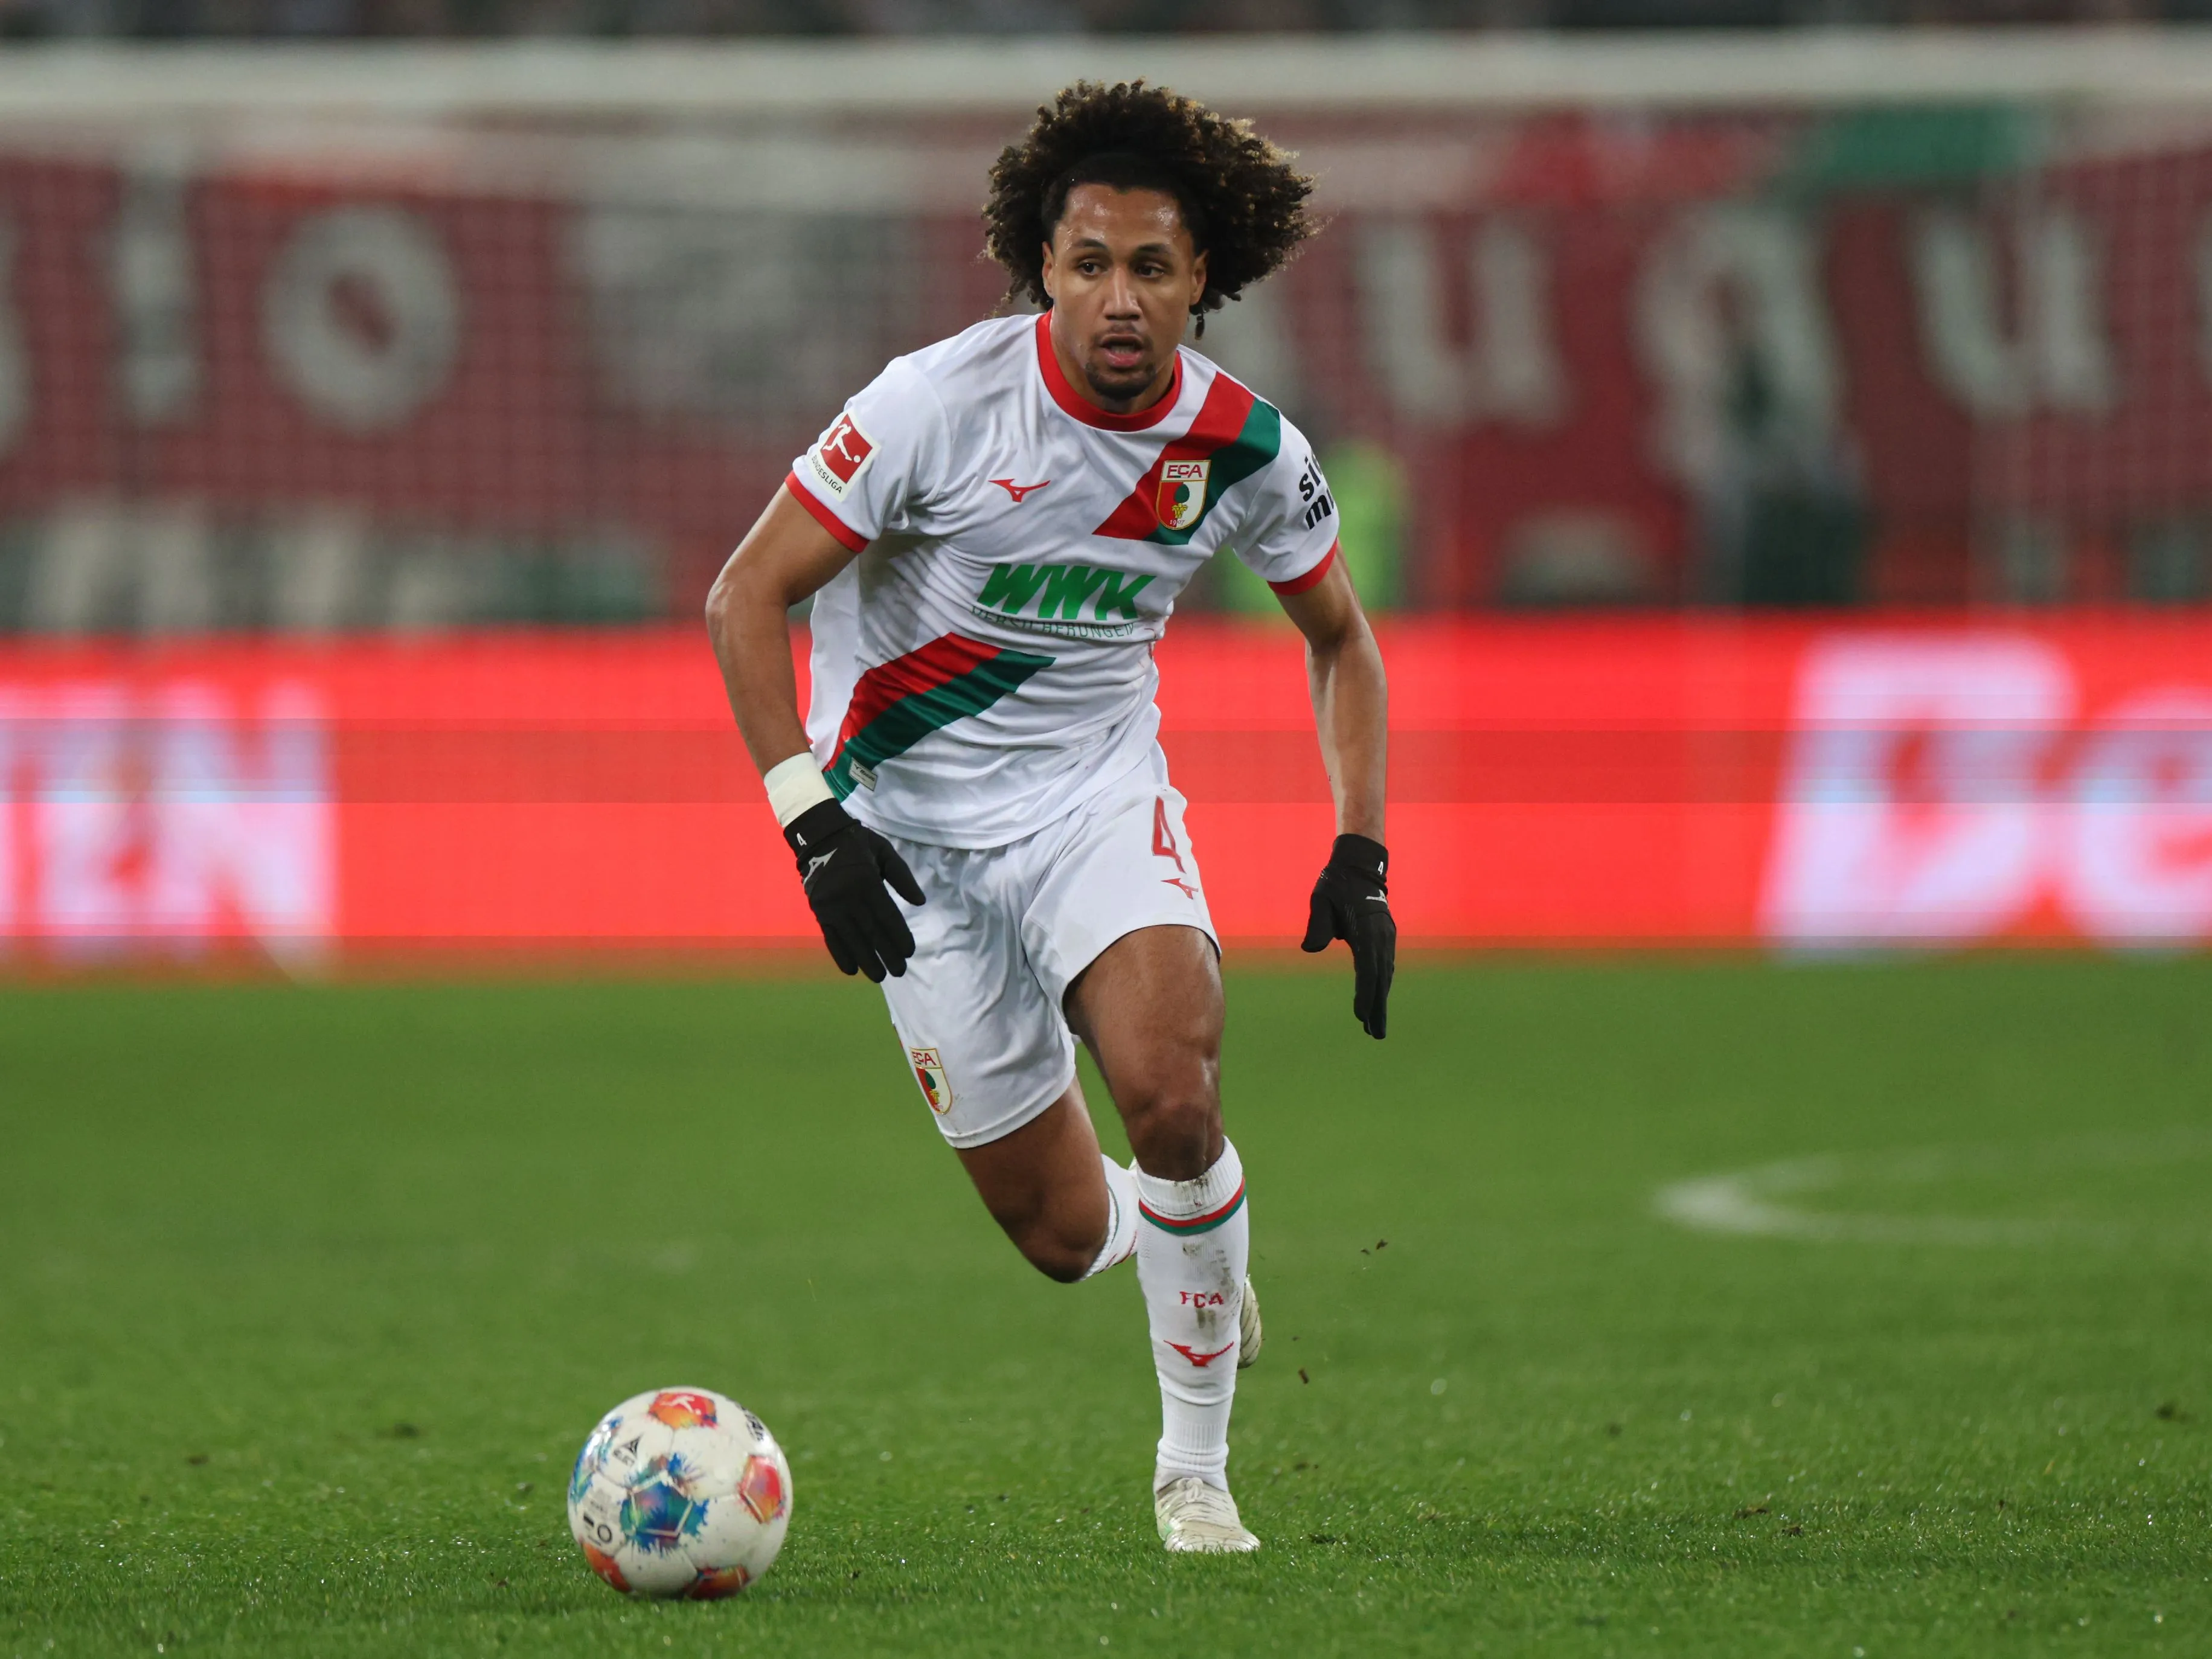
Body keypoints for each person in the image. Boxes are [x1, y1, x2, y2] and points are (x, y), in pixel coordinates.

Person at [705, 79, 1393, 1554]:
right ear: (1043, 271)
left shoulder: (1244, 449)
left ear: (1204, 277)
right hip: (910, 845)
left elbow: (1340, 636)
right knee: (1065, 1233)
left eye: (1153, 265)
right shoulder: (932, 404)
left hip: (1095, 804)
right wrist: (811, 820)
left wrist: (1362, 845)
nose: (1121, 297)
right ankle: (1192, 1248)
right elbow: (744, 595)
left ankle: (1193, 1472)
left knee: (1174, 1094)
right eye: (1090, 264)